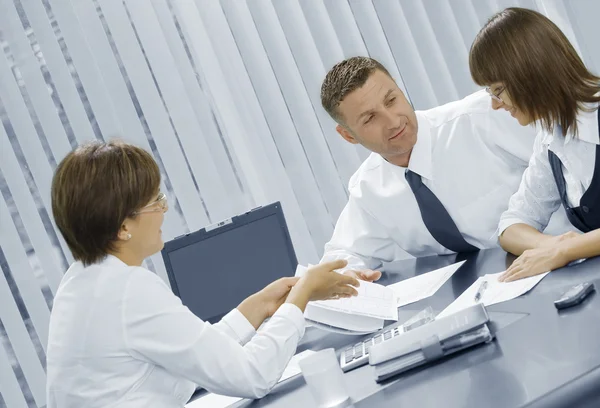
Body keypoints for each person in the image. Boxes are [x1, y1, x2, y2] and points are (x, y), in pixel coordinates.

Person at [46, 140, 359, 407]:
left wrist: (261, 305)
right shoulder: (128, 290)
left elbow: (196, 356)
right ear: (123, 226)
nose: (165, 209)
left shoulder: (79, 284)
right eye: (155, 200)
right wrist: (301, 297)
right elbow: (252, 376)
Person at [319, 56, 571, 279]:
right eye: (370, 118)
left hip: (566, 261)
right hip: (492, 292)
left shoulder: (485, 117)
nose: (393, 121)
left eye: (391, 100)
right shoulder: (369, 188)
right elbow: (341, 257)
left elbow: (579, 162)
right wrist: (349, 276)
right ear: (348, 136)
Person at [469, 7, 600, 282]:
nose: (494, 104)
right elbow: (512, 224)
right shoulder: (552, 138)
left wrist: (567, 250)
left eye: (498, 90)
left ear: (530, 73)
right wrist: (552, 247)